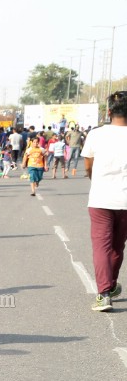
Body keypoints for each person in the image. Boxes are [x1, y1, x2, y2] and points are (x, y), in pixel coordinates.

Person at [83, 91, 127, 312]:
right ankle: (109, 286)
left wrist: (95, 180)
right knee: (118, 246)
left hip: (101, 199)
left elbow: (88, 165)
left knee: (102, 246)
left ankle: (104, 294)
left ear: (109, 112)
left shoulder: (96, 134)